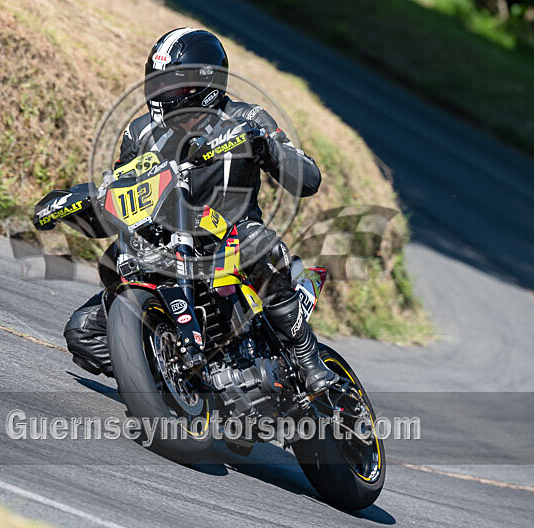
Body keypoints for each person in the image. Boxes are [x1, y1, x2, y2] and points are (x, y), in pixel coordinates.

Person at [65, 28, 336, 394]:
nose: (161, 93)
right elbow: (119, 195)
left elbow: (309, 180)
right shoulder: (140, 132)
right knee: (83, 330)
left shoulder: (246, 116)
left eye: (172, 85)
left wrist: (265, 147)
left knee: (256, 243)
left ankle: (306, 357)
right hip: (164, 247)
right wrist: (85, 205)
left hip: (230, 239)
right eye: (156, 81)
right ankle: (170, 385)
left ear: (203, 81)